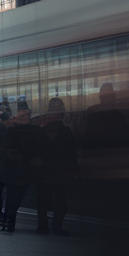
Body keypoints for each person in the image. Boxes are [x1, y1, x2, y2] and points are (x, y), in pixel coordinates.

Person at [0, 101, 43, 233]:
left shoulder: (33, 130)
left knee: (14, 197)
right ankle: (9, 219)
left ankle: (8, 219)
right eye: (22, 116)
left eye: (27, 115)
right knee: (12, 196)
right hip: (13, 169)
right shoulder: (8, 130)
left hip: (20, 169)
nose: (26, 118)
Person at [35, 97, 78, 236]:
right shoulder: (66, 132)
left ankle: (42, 226)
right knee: (60, 200)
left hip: (43, 171)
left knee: (41, 200)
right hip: (60, 172)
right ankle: (57, 227)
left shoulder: (41, 131)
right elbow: (71, 154)